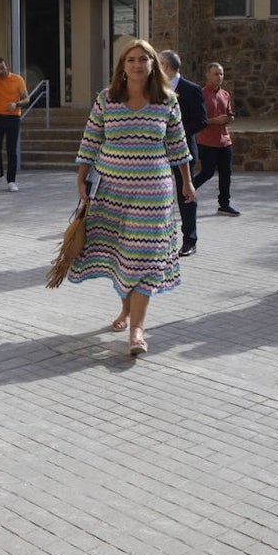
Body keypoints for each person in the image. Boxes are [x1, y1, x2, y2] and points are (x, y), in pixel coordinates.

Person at [69, 39, 193, 356]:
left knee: (144, 255)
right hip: (110, 190)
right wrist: (82, 177)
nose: (137, 64)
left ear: (153, 65)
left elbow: (178, 146)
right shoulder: (107, 100)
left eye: (143, 59)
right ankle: (127, 310)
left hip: (154, 192)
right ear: (122, 66)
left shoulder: (167, 101)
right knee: (120, 256)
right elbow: (90, 140)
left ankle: (137, 329)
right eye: (131, 60)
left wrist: (187, 184)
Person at [159, 50, 207, 255]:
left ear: (166, 67)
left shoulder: (192, 89)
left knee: (185, 195)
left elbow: (201, 121)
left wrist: (175, 133)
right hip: (157, 154)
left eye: (158, 64)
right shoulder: (154, 89)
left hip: (183, 151)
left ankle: (190, 240)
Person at [192, 62, 240, 216]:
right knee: (207, 172)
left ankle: (224, 204)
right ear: (207, 75)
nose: (219, 77)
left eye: (221, 74)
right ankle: (186, 190)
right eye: (215, 74)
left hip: (225, 140)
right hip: (207, 141)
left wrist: (229, 118)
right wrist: (214, 121)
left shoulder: (225, 94)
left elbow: (229, 112)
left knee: (226, 173)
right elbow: (198, 119)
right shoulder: (201, 94)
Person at [0, 57, 29, 191]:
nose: (1, 71)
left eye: (2, 68)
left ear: (7, 67)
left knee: (11, 150)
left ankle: (11, 181)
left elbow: (27, 98)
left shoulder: (17, 79)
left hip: (13, 118)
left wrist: (16, 104)